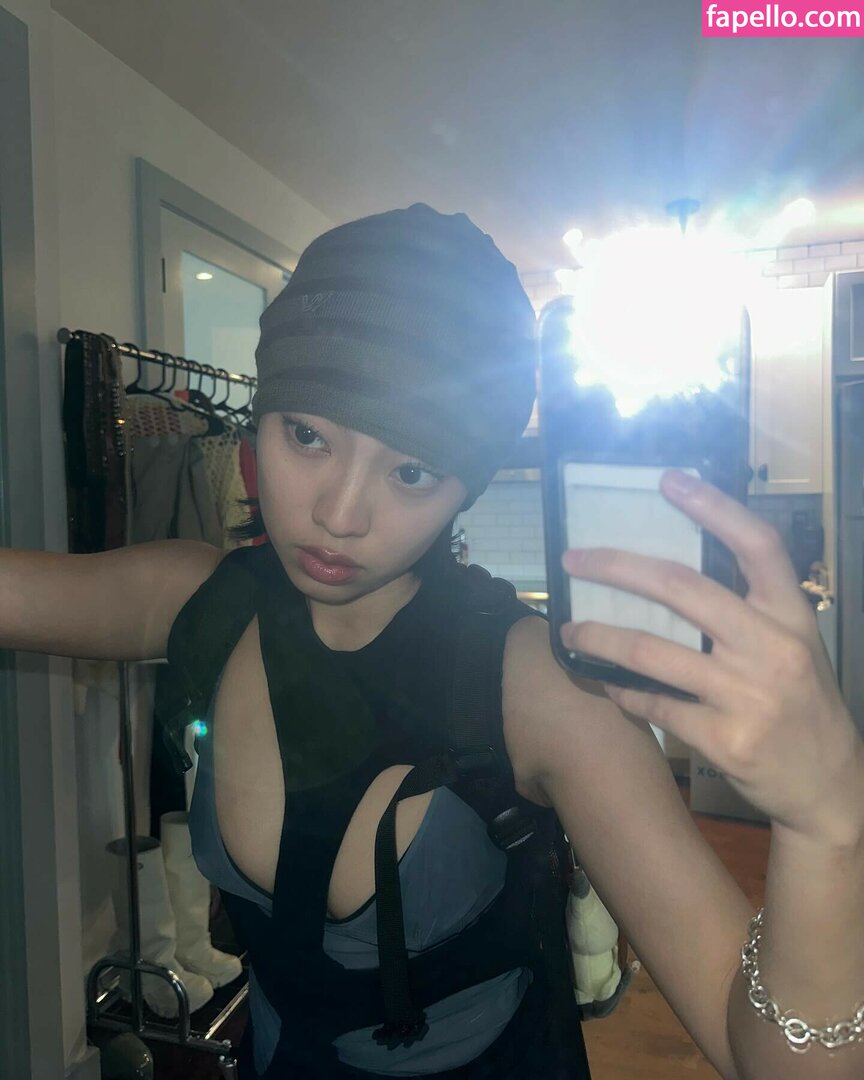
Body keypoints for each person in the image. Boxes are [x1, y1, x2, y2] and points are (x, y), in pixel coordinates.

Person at [3, 203, 863, 1079]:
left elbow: (775, 1064)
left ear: (468, 486)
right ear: (260, 419)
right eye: (308, 434)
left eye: (411, 470)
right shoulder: (200, 601)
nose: (340, 514)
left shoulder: (537, 689)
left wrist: (826, 825)